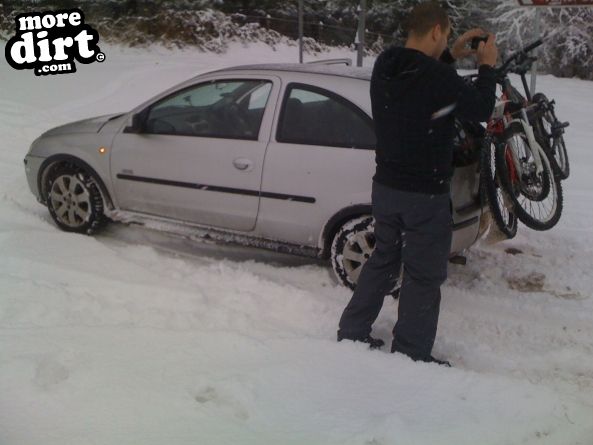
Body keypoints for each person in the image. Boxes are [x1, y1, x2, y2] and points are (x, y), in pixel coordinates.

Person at [337, 1, 498, 366]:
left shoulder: (386, 65)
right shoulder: (438, 79)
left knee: (383, 258)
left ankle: (352, 329)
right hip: (424, 195)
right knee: (423, 274)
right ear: (438, 31)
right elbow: (481, 109)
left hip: (387, 188)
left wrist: (448, 56)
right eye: (445, 37)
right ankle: (411, 352)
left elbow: (420, 83)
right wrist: (486, 65)